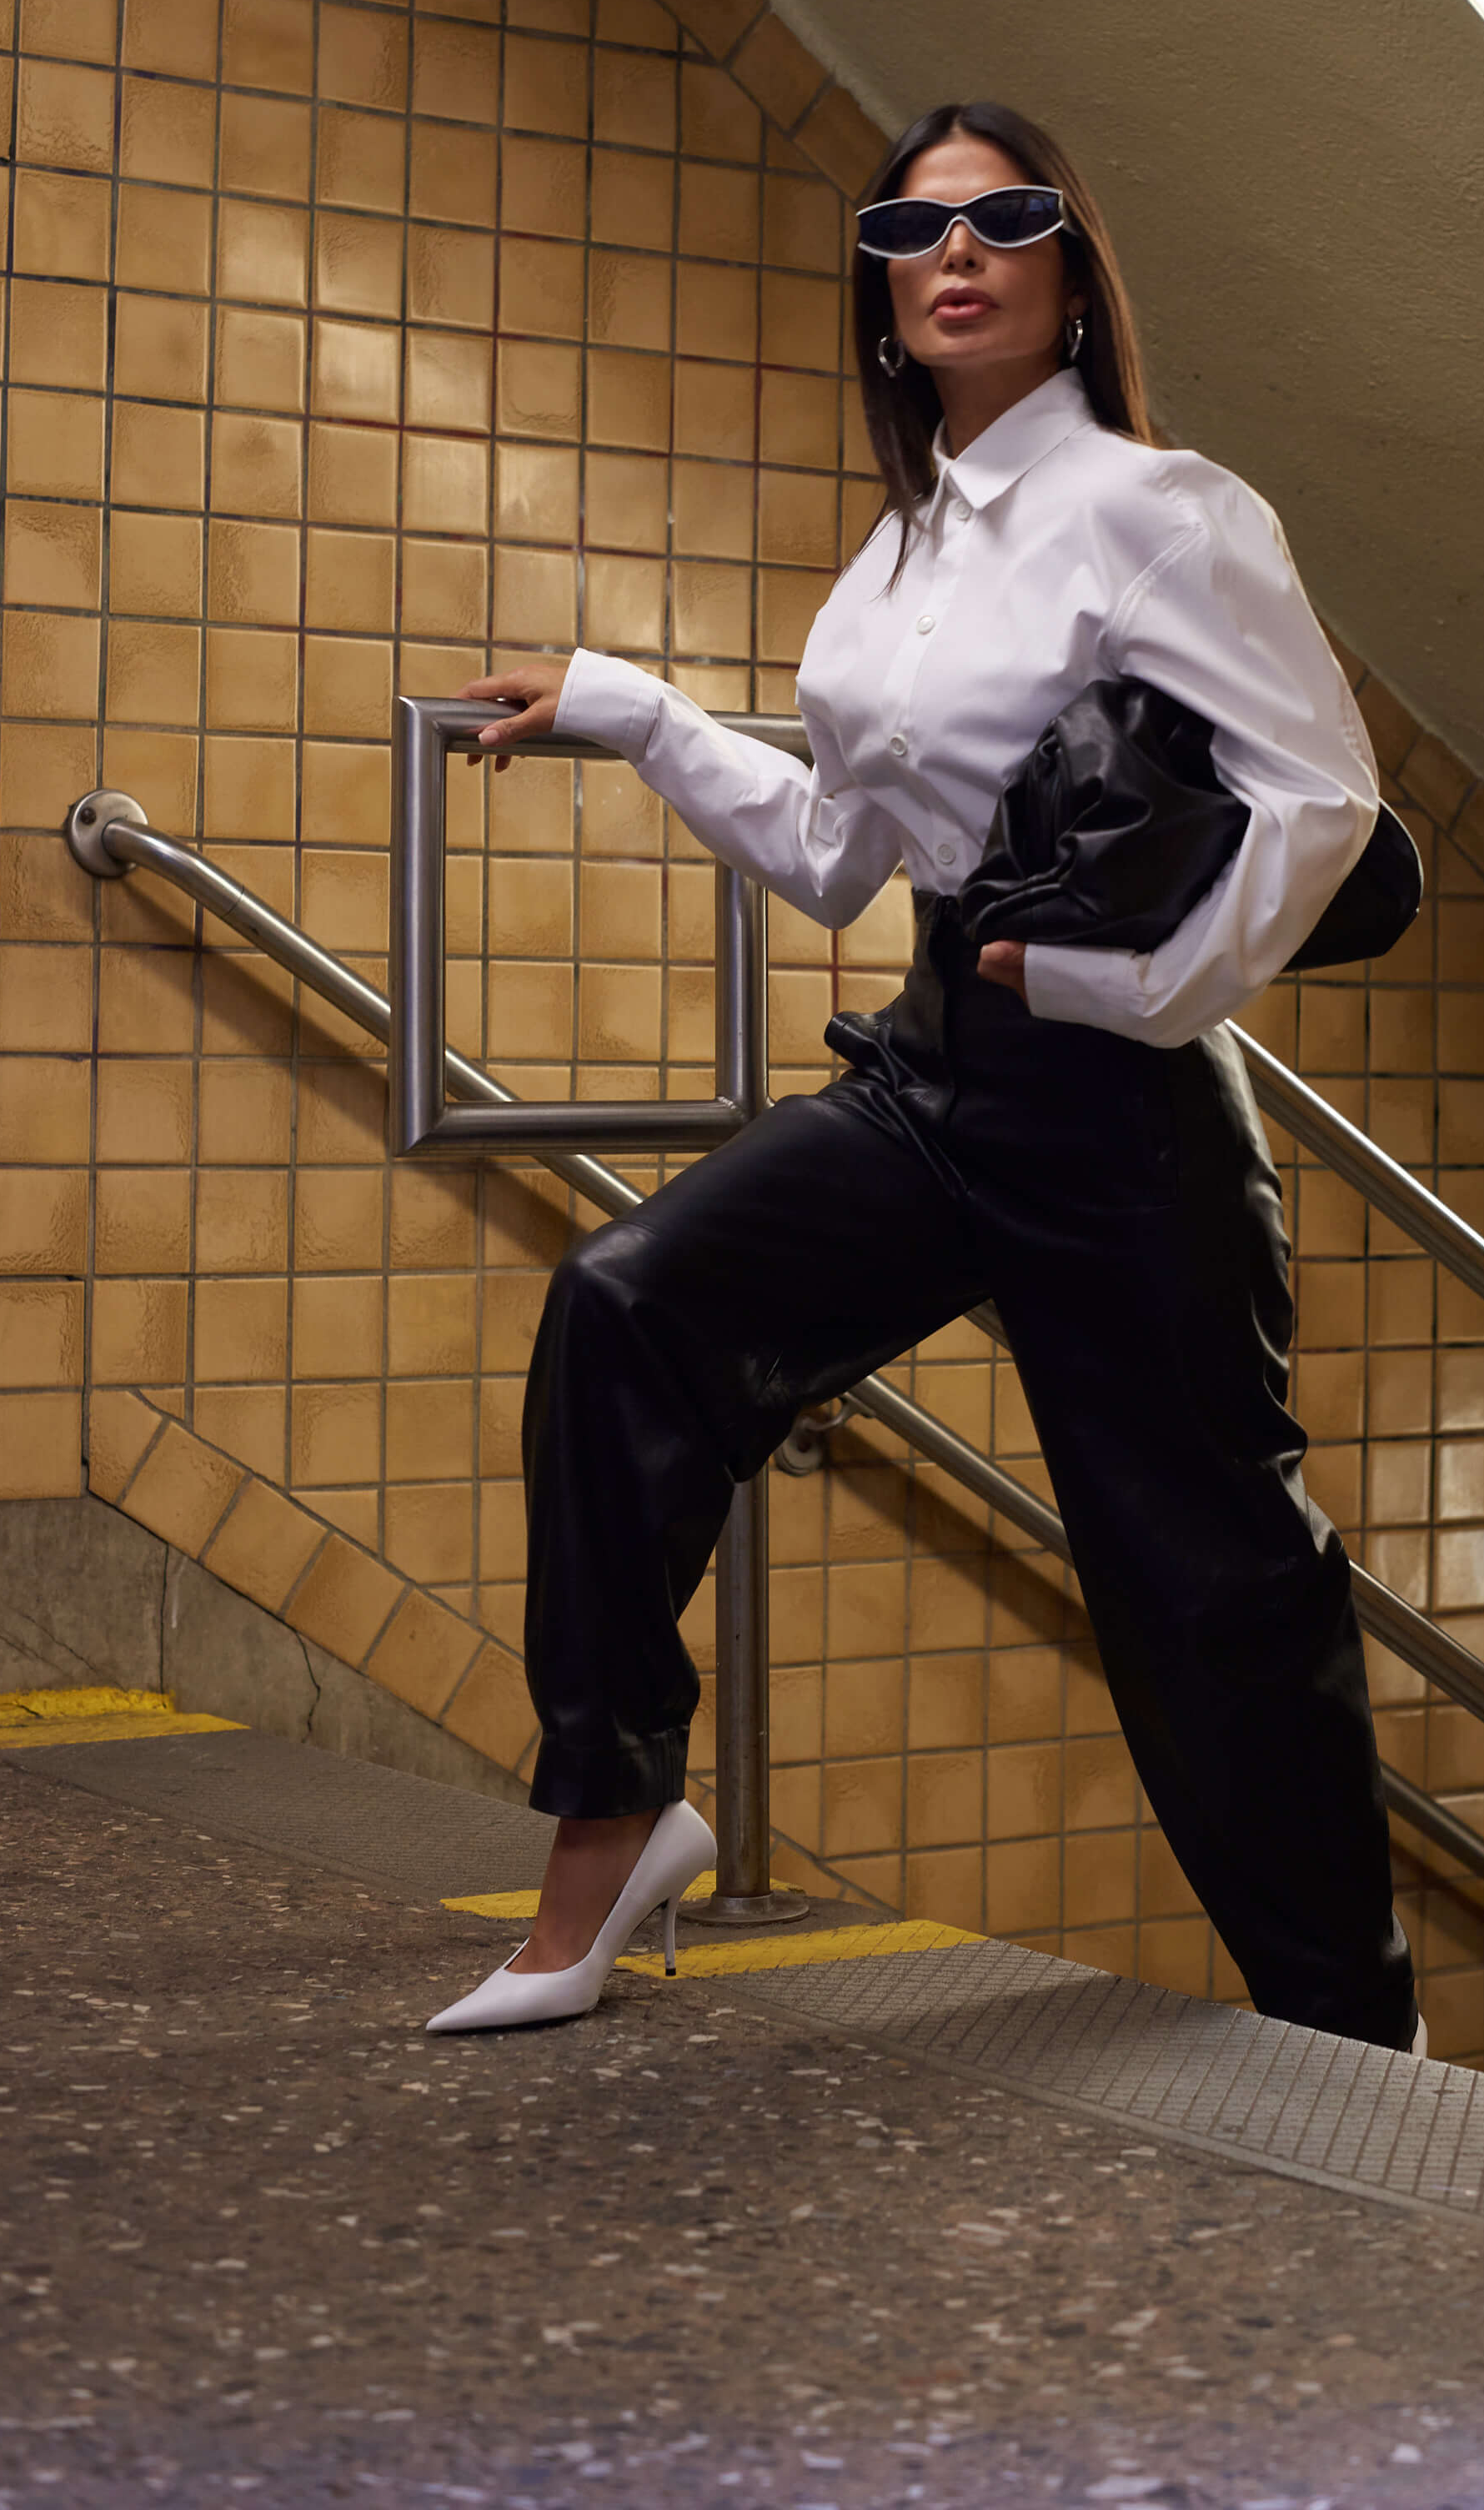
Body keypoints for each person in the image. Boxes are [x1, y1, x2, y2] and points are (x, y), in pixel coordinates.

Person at [429, 100, 1420, 2052]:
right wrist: (628, 707)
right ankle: (615, 1815)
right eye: (914, 229)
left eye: (1005, 220)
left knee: (1206, 1593)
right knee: (629, 1312)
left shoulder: (1161, 506)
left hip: (1125, 1115)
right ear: (883, 292)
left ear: (1067, 276)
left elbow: (1330, 799)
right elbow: (834, 858)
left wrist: (1133, 984)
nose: (956, 254)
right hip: (933, 1080)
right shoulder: (892, 562)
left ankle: (1351, 2038)